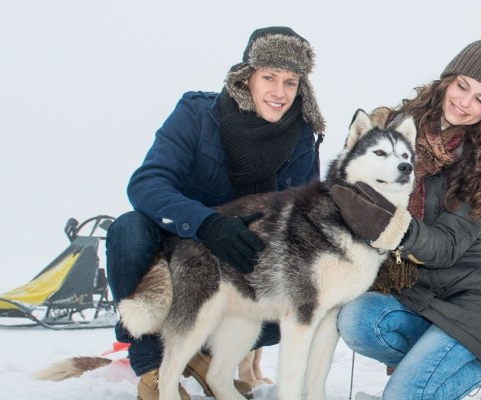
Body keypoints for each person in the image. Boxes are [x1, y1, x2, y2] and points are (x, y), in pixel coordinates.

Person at [105, 26, 324, 400]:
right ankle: (153, 368)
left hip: (242, 270)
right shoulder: (197, 114)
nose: (279, 92)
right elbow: (147, 183)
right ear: (247, 76)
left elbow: (305, 218)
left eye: (290, 82)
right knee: (128, 230)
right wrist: (206, 224)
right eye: (269, 77)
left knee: (297, 294)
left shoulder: (303, 139)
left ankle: (209, 362)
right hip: (179, 252)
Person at [335, 35, 481, 400]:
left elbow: (444, 246)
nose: (464, 102)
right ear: (448, 78)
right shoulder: (397, 129)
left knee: (401, 396)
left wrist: (387, 225)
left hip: (471, 299)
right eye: (462, 86)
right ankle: (432, 359)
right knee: (355, 320)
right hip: (414, 294)